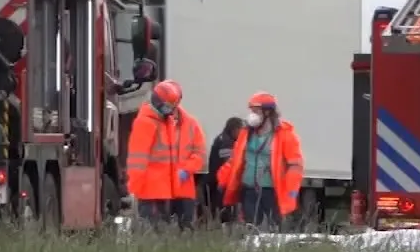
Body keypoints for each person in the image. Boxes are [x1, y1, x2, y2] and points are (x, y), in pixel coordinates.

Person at [125, 79, 206, 231]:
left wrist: (185, 171)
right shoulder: (149, 123)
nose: (171, 110)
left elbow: (198, 154)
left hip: (166, 191)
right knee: (154, 232)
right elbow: (138, 161)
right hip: (152, 192)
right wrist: (134, 190)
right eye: (168, 106)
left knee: (165, 232)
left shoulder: (166, 122)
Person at [218, 91, 305, 230]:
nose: (252, 115)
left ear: (268, 112)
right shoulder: (246, 134)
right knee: (250, 228)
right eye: (252, 111)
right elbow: (235, 160)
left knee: (274, 228)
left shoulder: (285, 135)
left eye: (256, 111)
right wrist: (223, 178)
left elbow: (295, 165)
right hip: (249, 189)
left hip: (271, 191)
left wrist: (292, 189)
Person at [204, 115, 244, 224]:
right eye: (240, 130)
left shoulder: (223, 138)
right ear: (234, 129)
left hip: (216, 179)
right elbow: (229, 163)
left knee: (221, 208)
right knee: (223, 209)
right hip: (219, 181)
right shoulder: (226, 142)